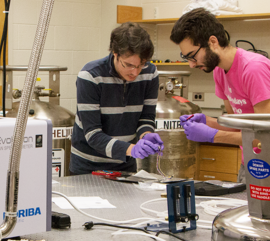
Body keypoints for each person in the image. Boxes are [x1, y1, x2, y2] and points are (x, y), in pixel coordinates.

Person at [170, 8, 270, 183]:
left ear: (213, 42)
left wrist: (212, 135)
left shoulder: (254, 69)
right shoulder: (219, 71)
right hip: (251, 164)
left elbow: (263, 137)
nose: (192, 65)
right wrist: (208, 122)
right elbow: (238, 125)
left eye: (193, 56)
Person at [69, 22, 164, 175]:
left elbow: (145, 118)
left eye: (141, 65)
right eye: (129, 65)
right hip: (88, 166)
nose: (135, 72)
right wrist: (132, 149)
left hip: (124, 163)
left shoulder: (150, 73)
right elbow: (93, 135)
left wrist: (146, 135)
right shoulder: (91, 76)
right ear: (115, 53)